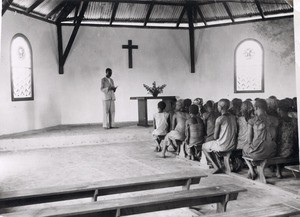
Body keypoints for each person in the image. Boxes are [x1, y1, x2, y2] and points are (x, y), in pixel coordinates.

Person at [243, 99, 279, 179]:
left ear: (256, 107)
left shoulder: (252, 121)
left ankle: (251, 170)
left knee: (244, 150)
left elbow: (249, 140)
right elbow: (275, 137)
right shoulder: (275, 119)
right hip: (273, 151)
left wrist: (251, 145)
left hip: (257, 153)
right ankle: (252, 170)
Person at [202, 99, 237, 173]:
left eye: (218, 106)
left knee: (204, 146)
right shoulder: (233, 117)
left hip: (223, 146)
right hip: (232, 145)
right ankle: (223, 164)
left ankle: (216, 167)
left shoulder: (220, 119)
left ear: (221, 107)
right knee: (213, 145)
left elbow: (215, 137)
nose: (217, 107)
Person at [276, 99, 298, 178]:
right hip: (294, 149)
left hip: (284, 150)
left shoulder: (279, 121)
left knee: (276, 146)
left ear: (279, 110)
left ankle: (278, 170)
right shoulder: (295, 121)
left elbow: (277, 136)